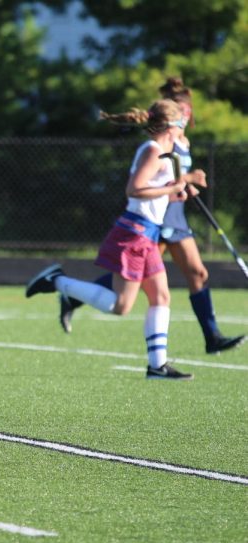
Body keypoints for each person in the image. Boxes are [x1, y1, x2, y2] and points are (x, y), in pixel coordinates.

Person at [60, 78, 245, 355]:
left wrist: (185, 186)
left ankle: (210, 337)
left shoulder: (183, 142)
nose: (185, 116)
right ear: (171, 117)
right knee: (132, 282)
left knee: (195, 274)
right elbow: (145, 184)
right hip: (154, 218)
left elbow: (170, 178)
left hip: (174, 216)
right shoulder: (156, 147)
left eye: (187, 111)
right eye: (180, 112)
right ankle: (69, 293)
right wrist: (182, 182)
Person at [26, 99, 193, 380]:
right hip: (134, 233)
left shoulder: (166, 153)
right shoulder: (153, 151)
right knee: (121, 306)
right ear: (171, 127)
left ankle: (157, 366)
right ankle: (56, 281)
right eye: (181, 125)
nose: (183, 131)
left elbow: (158, 190)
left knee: (161, 296)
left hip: (148, 233)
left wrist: (176, 191)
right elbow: (134, 190)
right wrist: (172, 187)